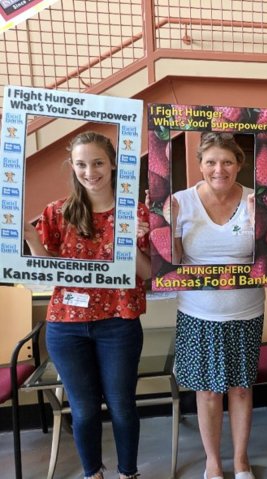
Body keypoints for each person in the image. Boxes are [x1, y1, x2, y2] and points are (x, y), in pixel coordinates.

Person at [24, 131, 151, 479]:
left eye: (97, 163)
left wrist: (130, 241)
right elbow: (47, 270)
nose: (90, 171)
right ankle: (92, 473)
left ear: (113, 163)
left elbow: (148, 273)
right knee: (83, 409)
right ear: (72, 167)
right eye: (81, 164)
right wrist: (32, 238)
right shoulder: (58, 212)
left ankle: (128, 474)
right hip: (67, 324)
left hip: (118, 323)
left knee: (123, 406)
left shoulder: (135, 212)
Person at [171, 132, 267, 479]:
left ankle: (241, 460)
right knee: (209, 392)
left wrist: (260, 222)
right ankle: (213, 462)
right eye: (211, 162)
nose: (219, 169)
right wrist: (164, 224)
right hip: (198, 312)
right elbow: (170, 261)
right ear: (200, 165)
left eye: (227, 161)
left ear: (240, 165)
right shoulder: (179, 202)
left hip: (246, 311)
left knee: (242, 389)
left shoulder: (256, 200)